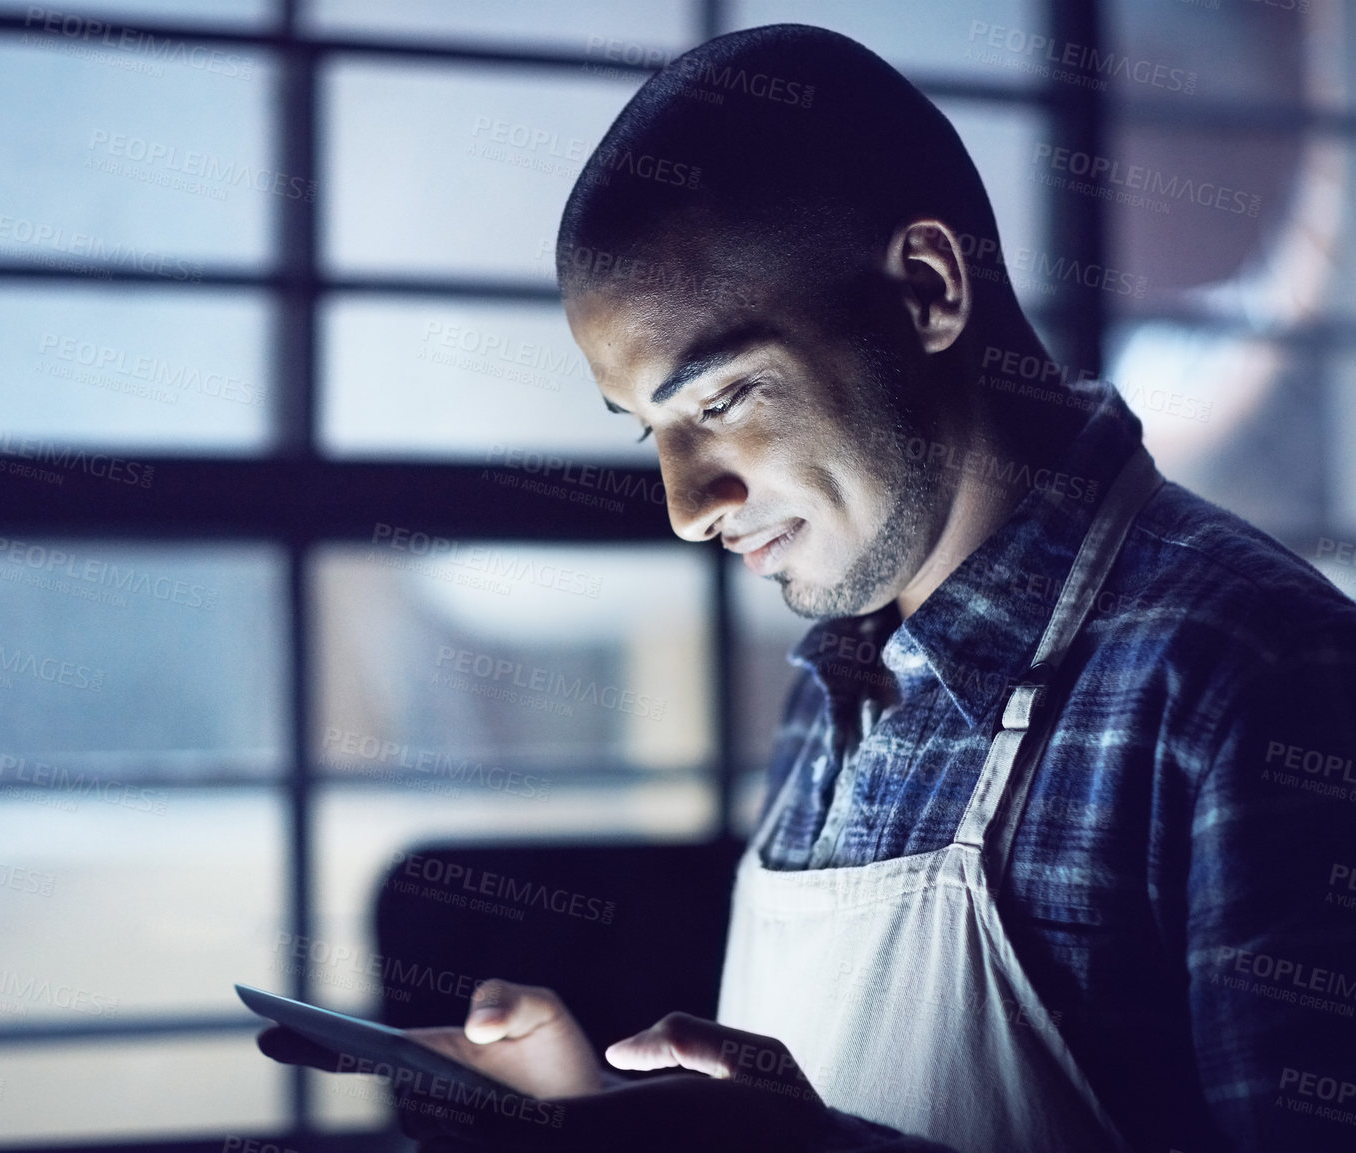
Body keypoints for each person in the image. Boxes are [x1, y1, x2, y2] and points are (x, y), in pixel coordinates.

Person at [262, 24, 1356, 1153]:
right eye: (652, 432)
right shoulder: (842, 671)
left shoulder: (1253, 679)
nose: (686, 504)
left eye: (720, 399)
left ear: (927, 291)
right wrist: (587, 1113)